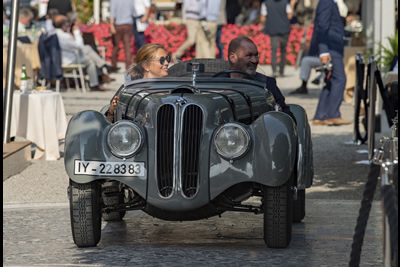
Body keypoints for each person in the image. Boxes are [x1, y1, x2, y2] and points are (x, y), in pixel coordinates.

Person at [225, 36, 296, 123]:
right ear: (233, 57)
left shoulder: (267, 83)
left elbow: (291, 121)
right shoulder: (216, 83)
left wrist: (279, 113)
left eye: (256, 55)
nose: (255, 60)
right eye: (249, 56)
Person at [309, 0, 351, 126]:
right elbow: (322, 27)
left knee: (330, 81)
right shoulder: (326, 2)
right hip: (330, 49)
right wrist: (323, 51)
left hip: (332, 48)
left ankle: (320, 116)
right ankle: (333, 114)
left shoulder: (329, 2)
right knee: (340, 79)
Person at [106, 44, 170, 122]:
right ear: (146, 66)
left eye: (167, 59)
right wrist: (111, 112)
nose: (166, 63)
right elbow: (111, 125)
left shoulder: (171, 89)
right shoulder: (129, 92)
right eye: (162, 60)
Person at [53, 14, 113, 91]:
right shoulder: (64, 36)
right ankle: (95, 82)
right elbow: (79, 45)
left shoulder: (55, 34)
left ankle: (103, 66)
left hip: (63, 57)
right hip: (69, 60)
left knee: (87, 48)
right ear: (63, 25)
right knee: (90, 60)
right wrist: (77, 32)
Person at [260, 0, 297, 77]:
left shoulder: (266, 3)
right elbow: (289, 16)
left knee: (274, 50)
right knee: (283, 51)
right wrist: (292, 4)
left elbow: (263, 18)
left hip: (272, 30)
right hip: (284, 29)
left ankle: (274, 71)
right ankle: (281, 71)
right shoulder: (285, 2)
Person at [109, 0, 134, 70]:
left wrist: (111, 25)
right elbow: (133, 11)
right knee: (127, 46)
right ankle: (128, 65)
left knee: (116, 46)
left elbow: (112, 12)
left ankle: (114, 65)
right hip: (128, 24)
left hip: (117, 25)